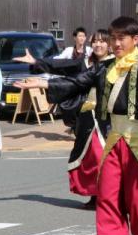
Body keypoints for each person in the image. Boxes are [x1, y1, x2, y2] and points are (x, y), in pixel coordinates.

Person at [17, 17, 138, 235]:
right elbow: (78, 81)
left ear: (134, 40)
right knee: (108, 189)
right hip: (114, 136)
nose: (117, 43)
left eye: (122, 38)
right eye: (114, 38)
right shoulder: (105, 67)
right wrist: (45, 83)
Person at [20, 30, 111, 208]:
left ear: (109, 44)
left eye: (102, 41)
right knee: (89, 157)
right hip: (87, 116)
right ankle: (95, 194)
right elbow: (61, 65)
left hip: (110, 118)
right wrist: (37, 62)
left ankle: (111, 196)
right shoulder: (85, 62)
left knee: (106, 157)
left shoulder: (116, 64)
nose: (98, 45)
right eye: (95, 41)